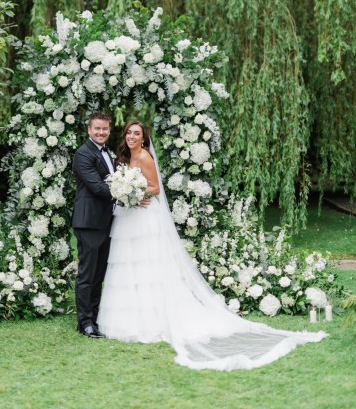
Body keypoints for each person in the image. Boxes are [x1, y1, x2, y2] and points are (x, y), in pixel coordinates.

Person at [98, 120, 327, 371]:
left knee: (148, 268)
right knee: (130, 267)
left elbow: (154, 188)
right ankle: (133, 319)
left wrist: (135, 192)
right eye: (129, 133)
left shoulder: (143, 157)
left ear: (143, 138)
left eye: (137, 133)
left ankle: (153, 320)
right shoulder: (125, 158)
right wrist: (125, 192)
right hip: (130, 217)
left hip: (145, 218)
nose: (132, 136)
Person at [71, 111, 115, 338]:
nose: (101, 132)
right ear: (89, 129)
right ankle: (85, 323)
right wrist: (129, 192)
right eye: (97, 128)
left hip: (106, 222)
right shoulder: (83, 154)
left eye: (104, 129)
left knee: (99, 275)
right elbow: (98, 188)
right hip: (89, 223)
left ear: (109, 130)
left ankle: (95, 318)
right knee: (87, 276)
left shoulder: (107, 152)